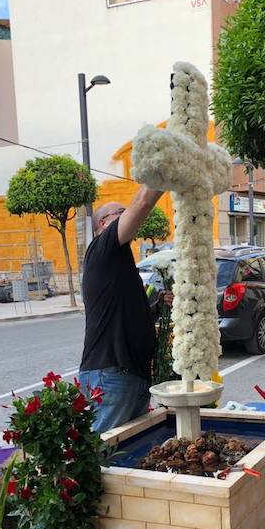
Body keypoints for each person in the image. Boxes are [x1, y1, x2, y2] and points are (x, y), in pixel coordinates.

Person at [78, 185, 165, 433]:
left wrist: (157, 307)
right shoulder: (102, 248)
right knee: (102, 456)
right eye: (121, 212)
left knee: (127, 453)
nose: (127, 214)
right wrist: (166, 167)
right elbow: (142, 203)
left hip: (129, 374)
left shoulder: (118, 260)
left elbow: (126, 312)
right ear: (103, 224)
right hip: (112, 374)